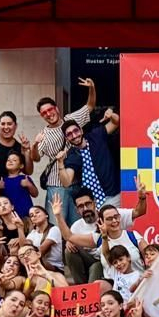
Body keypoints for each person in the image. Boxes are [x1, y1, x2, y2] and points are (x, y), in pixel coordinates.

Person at [30, 78, 97, 221]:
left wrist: (91, 88)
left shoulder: (71, 120)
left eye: (50, 110)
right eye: (44, 113)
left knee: (79, 224)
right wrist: (34, 145)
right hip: (57, 186)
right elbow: (35, 158)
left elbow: (90, 106)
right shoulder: (44, 135)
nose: (48, 114)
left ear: (57, 109)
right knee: (56, 225)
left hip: (79, 183)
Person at [58, 110, 121, 207]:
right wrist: (60, 162)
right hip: (91, 203)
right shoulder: (72, 154)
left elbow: (116, 122)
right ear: (67, 139)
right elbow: (66, 182)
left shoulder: (96, 135)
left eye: (76, 131)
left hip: (113, 195)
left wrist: (111, 115)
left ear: (81, 130)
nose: (74, 136)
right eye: (69, 134)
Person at [1, 150, 38, 219]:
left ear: (21, 166)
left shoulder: (24, 178)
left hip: (26, 215)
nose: (10, 161)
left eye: (14, 160)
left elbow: (35, 194)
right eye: (8, 160)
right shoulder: (2, 180)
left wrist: (29, 185)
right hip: (10, 216)